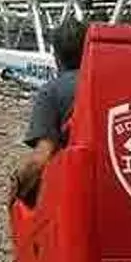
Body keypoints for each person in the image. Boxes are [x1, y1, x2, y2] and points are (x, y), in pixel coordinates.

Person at [8, 18, 88, 208]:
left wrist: (17, 188)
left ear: (56, 56)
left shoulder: (51, 92)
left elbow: (41, 157)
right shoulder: (109, 84)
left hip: (74, 188)